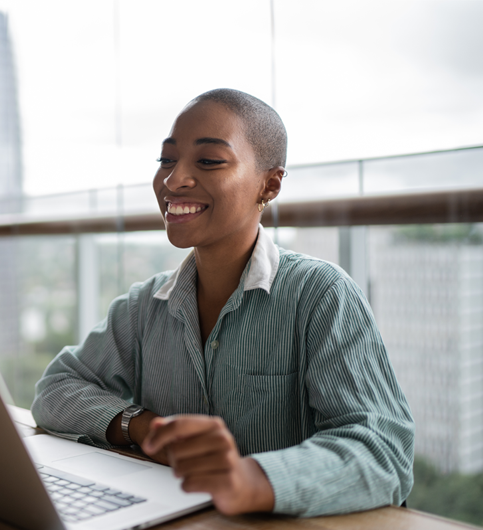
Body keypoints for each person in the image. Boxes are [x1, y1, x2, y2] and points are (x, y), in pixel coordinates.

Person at [31, 88, 414, 517]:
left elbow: (384, 450)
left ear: (269, 184)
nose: (174, 180)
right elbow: (55, 390)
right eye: (167, 160)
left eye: (209, 161)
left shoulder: (321, 296)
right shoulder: (144, 305)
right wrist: (144, 427)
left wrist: (252, 479)